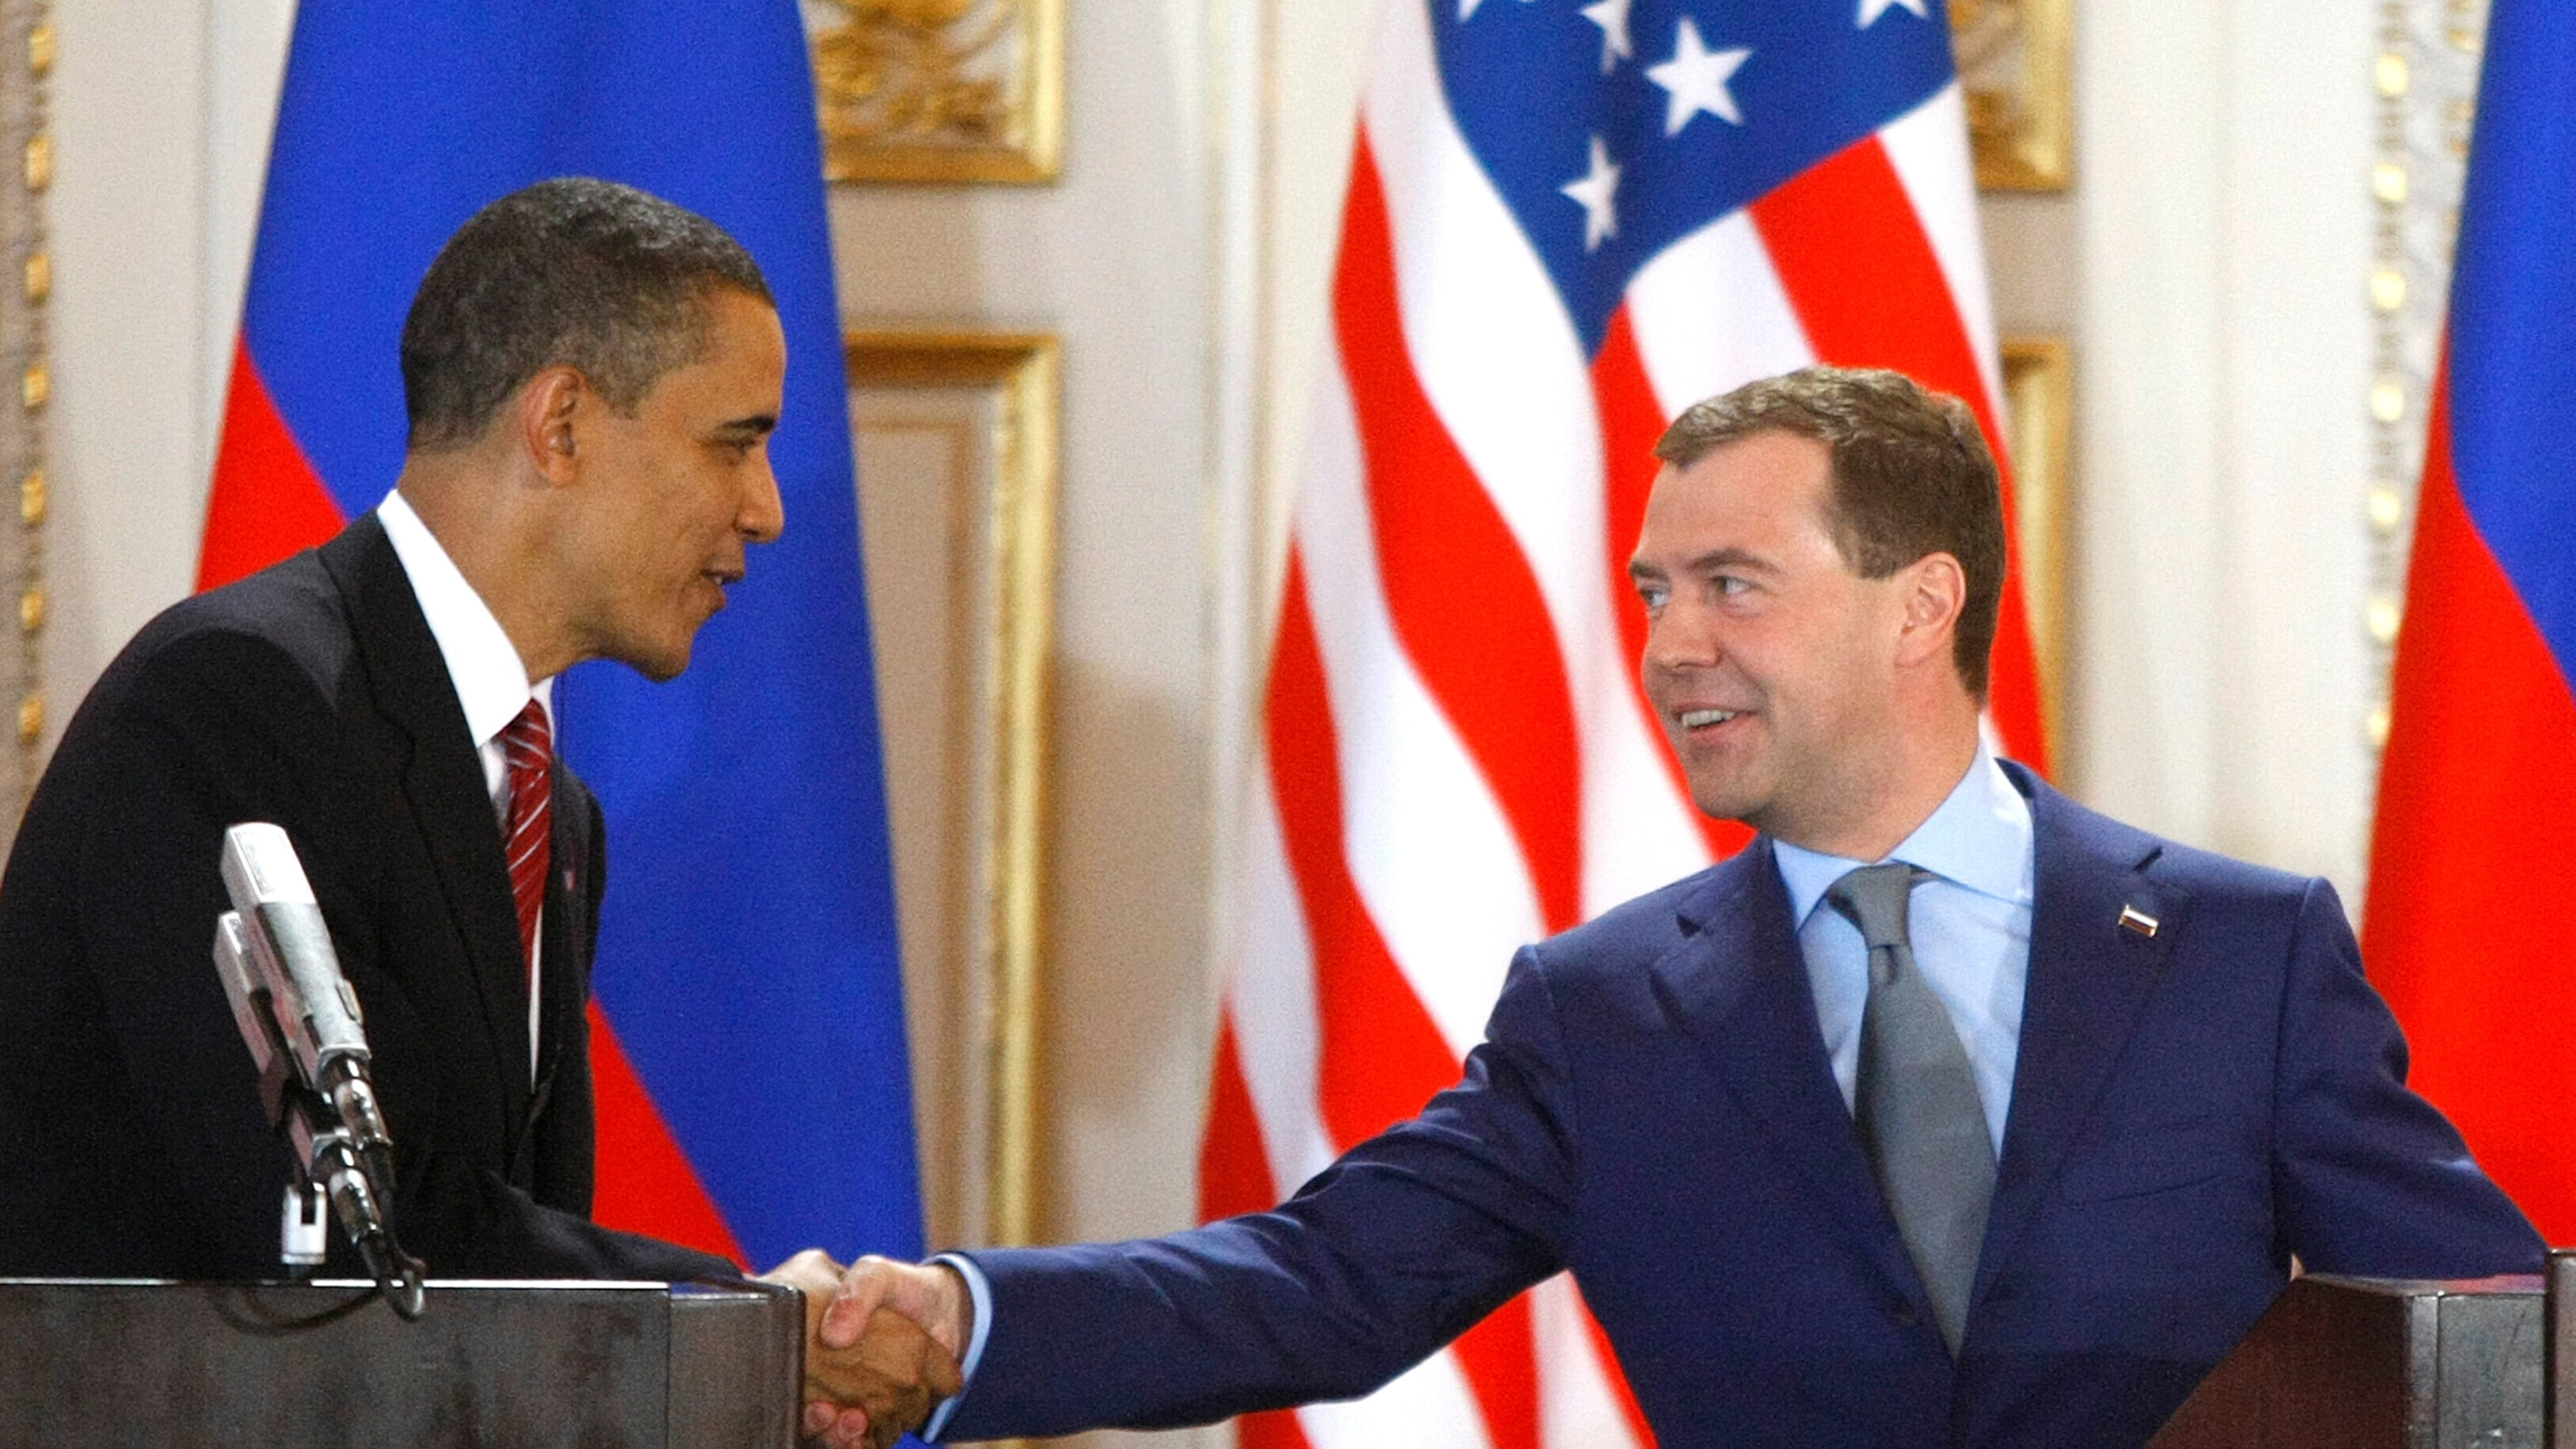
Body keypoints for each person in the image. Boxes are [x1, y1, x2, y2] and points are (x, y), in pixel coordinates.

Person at [799, 366, 2544, 1449]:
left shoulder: (2238, 956)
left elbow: (2488, 1332)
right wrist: (957, 1321)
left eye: (1733, 587)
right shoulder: (1608, 1010)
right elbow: (1320, 1287)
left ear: (1919, 601)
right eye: (1652, 591)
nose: (1668, 646)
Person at [0, 180, 961, 1432]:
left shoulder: (553, 819)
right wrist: (747, 1327)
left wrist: (739, 1373)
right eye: (735, 441)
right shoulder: (232, 707)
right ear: (559, 423)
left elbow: (500, 1296)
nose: (767, 510)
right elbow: (354, 1235)